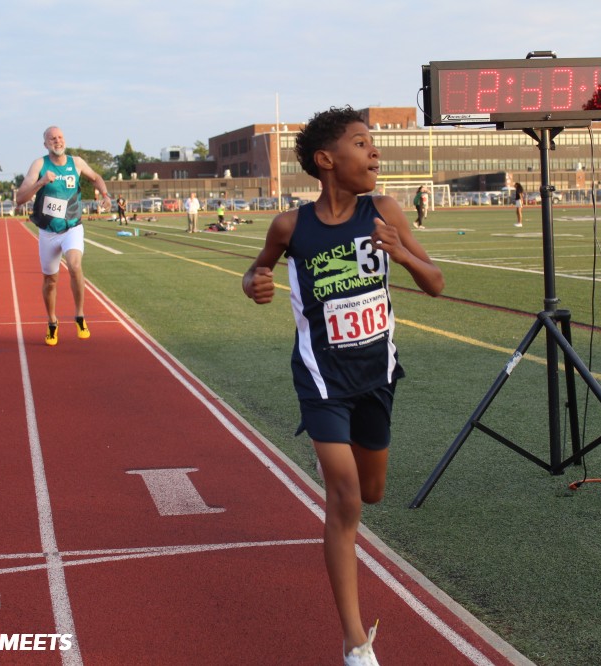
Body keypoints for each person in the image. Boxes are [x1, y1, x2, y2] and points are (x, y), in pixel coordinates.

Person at [242, 106, 443, 666]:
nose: (375, 152)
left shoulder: (386, 211)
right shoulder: (291, 227)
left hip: (376, 374)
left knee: (371, 492)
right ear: (327, 160)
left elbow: (436, 283)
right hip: (321, 378)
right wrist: (254, 284)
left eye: (372, 143)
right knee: (346, 498)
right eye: (361, 142)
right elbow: (256, 270)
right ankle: (356, 643)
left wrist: (400, 253)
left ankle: (340, 474)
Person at [15, 125, 111, 346]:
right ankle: (52, 322)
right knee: (50, 280)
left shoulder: (76, 163)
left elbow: (95, 177)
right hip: (48, 231)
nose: (57, 141)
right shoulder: (39, 165)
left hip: (72, 227)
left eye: (60, 137)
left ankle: (79, 316)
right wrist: (41, 182)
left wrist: (105, 194)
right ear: (45, 144)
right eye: (52, 139)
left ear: (64, 140)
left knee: (75, 266)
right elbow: (20, 198)